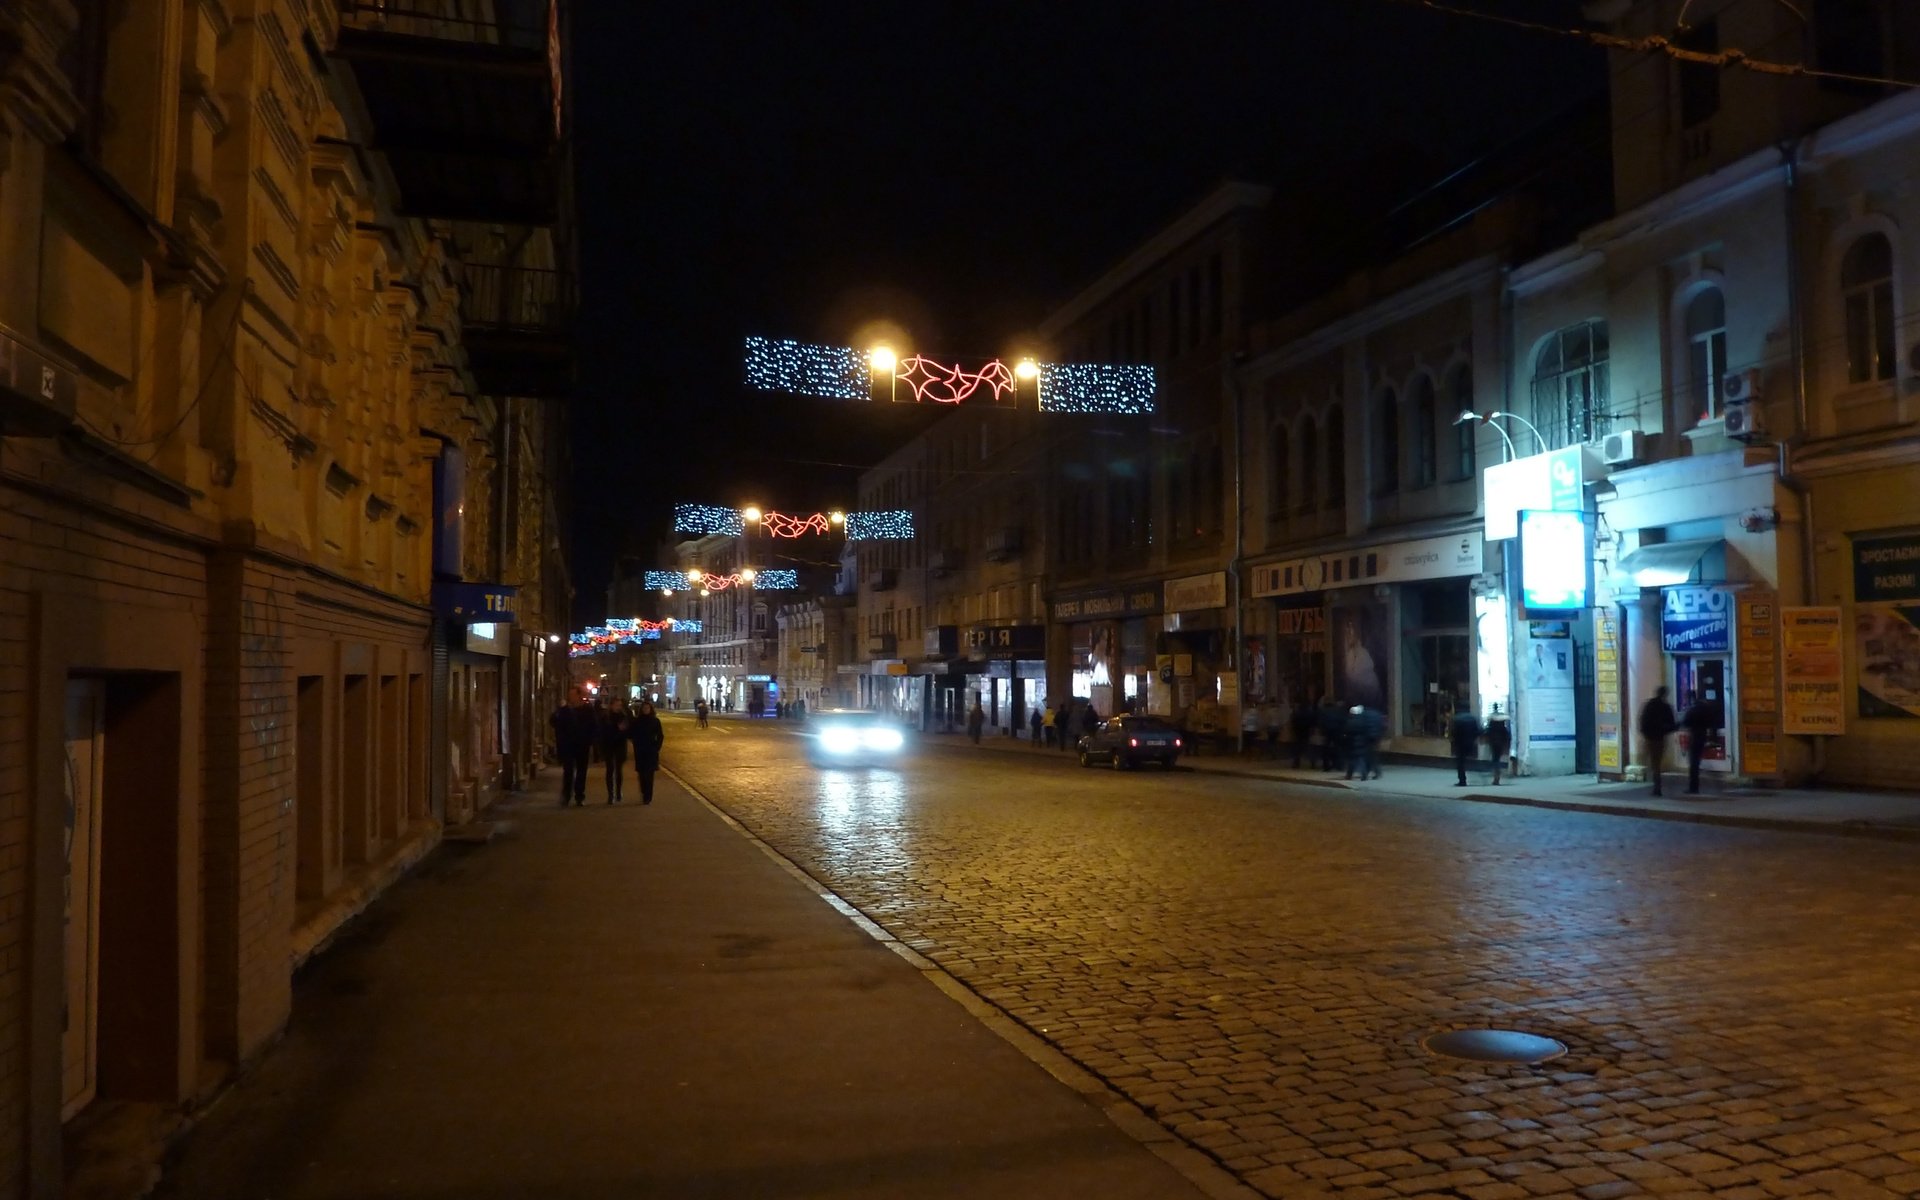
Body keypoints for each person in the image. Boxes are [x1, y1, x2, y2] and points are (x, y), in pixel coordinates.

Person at [550, 690, 593, 807]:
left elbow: (594, 726)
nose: (571, 698)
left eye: (573, 695)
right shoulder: (565, 710)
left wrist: (591, 741)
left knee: (581, 771)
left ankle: (579, 796)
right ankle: (566, 796)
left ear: (579, 696)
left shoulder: (588, 710)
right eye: (570, 696)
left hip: (582, 745)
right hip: (568, 745)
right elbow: (553, 721)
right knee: (568, 771)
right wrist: (560, 710)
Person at [1639, 685, 1677, 796]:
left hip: (1649, 738)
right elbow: (1672, 724)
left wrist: (1645, 733)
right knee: (1656, 763)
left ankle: (1656, 786)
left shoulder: (1649, 705)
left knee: (1652, 762)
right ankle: (1657, 786)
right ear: (1665, 694)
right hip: (1659, 738)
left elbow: (1643, 720)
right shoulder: (1666, 707)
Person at [629, 698, 665, 804]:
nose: (646, 710)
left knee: (649, 775)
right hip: (640, 751)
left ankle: (648, 796)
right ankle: (644, 791)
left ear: (650, 709)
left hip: (651, 751)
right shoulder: (637, 721)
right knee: (642, 774)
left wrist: (656, 748)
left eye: (647, 708)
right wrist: (635, 743)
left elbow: (660, 736)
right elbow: (631, 734)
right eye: (644, 708)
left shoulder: (655, 721)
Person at [1681, 691, 1718, 795]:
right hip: (1702, 735)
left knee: (1693, 763)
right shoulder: (1705, 707)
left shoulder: (1693, 709)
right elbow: (1712, 721)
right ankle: (1694, 786)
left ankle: (1693, 787)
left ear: (1690, 698)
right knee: (1696, 761)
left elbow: (1686, 722)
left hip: (1695, 736)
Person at [599, 703, 630, 803]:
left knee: (618, 770)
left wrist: (623, 730)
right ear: (611, 705)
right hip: (609, 746)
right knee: (610, 770)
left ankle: (618, 792)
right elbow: (602, 732)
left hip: (620, 746)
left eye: (619, 705)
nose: (617, 707)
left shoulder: (624, 716)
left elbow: (628, 732)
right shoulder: (606, 717)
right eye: (615, 704)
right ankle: (610, 794)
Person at [1449, 704, 1483, 787]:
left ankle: (1462, 780)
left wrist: (1453, 741)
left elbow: (1454, 732)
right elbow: (1479, 731)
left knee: (1460, 763)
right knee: (1470, 761)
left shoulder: (1457, 719)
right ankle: (1479, 776)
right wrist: (1474, 737)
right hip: (1470, 742)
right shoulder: (1473, 718)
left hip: (1460, 743)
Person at [1484, 703, 1512, 785]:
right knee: (1497, 759)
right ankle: (1497, 775)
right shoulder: (1503, 727)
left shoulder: (1491, 726)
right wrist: (1506, 745)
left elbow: (1487, 733)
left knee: (1495, 759)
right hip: (1500, 744)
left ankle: (1496, 776)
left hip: (1493, 743)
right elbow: (1507, 736)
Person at [1288, 694, 1314, 769]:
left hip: (1298, 732)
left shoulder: (1297, 712)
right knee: (1308, 747)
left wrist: (1293, 730)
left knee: (1298, 748)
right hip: (1306, 731)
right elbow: (1311, 721)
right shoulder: (1309, 712)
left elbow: (1293, 721)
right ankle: (1312, 763)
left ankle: (1296, 763)